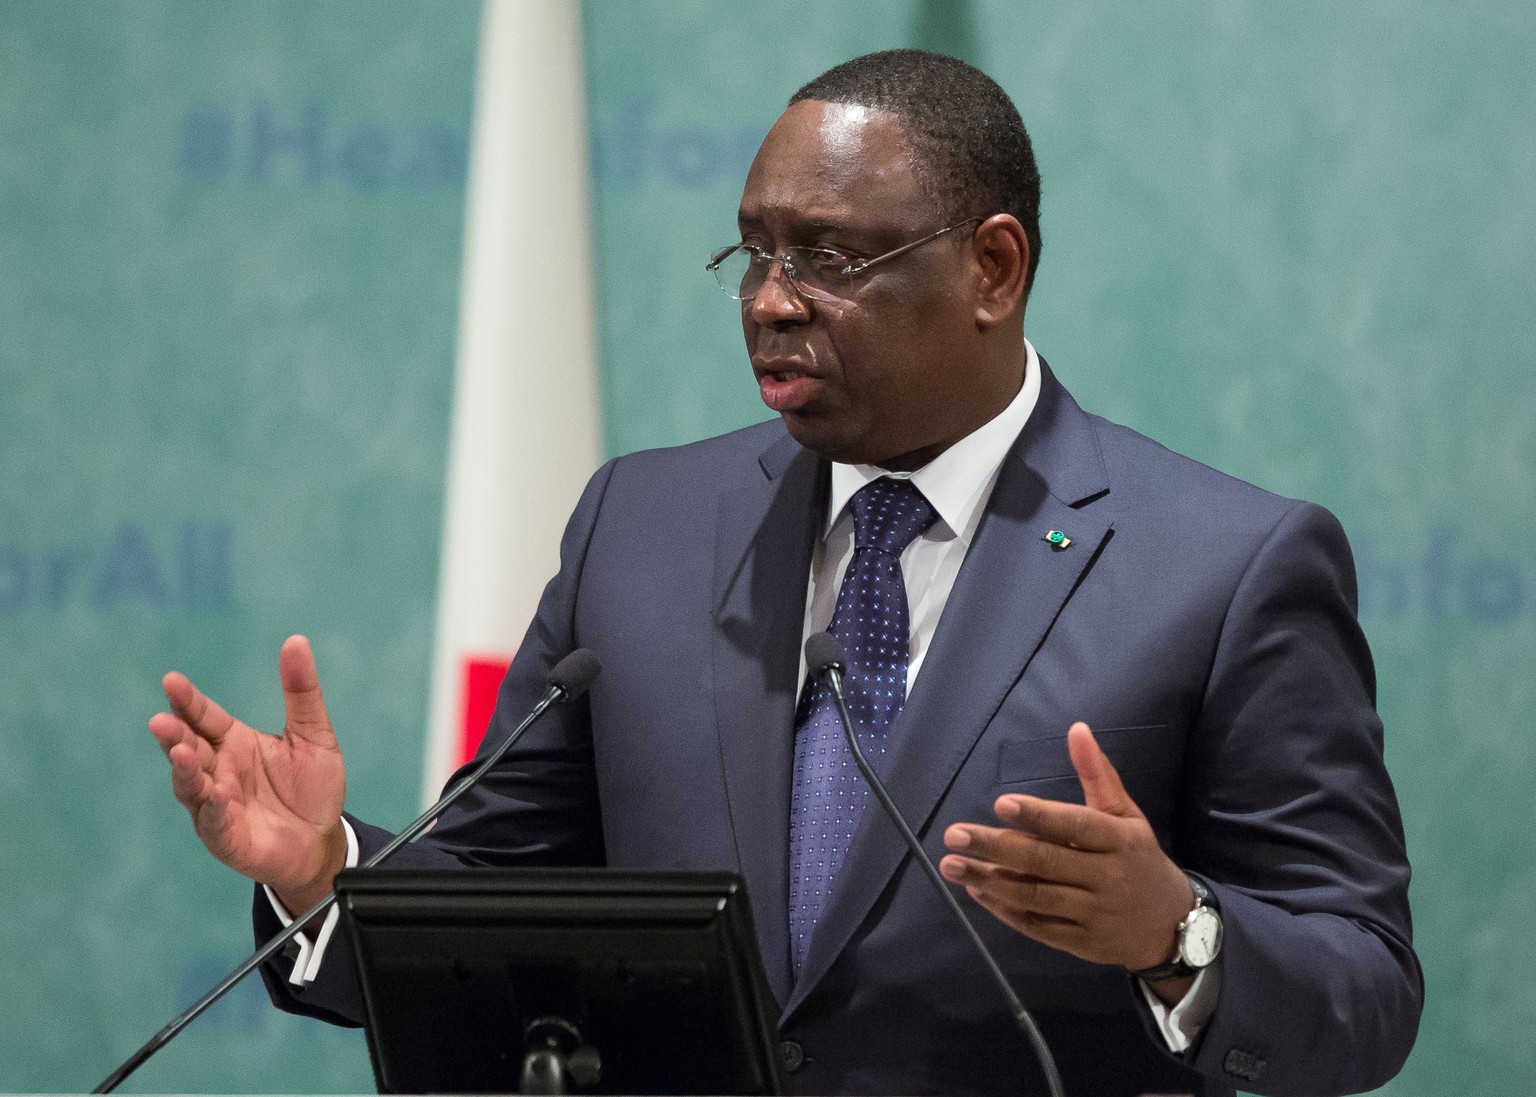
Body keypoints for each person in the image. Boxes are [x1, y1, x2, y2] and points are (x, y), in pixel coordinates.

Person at [150, 50, 1421, 1097]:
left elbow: (1362, 992)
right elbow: (498, 912)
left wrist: (1176, 933)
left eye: (829, 257)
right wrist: (324, 865)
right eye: (753, 253)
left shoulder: (1225, 563)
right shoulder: (640, 523)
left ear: (993, 267)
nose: (770, 299)